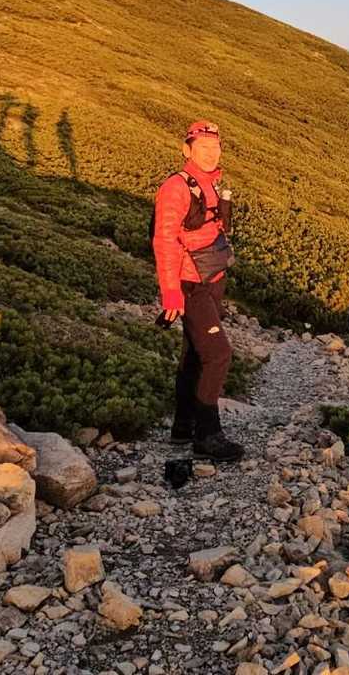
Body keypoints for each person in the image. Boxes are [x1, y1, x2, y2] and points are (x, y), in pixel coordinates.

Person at [152, 119, 243, 461]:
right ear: (186, 150)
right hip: (191, 284)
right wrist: (171, 293)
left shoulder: (209, 183)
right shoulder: (175, 188)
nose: (210, 153)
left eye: (215, 147)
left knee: (194, 354)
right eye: (203, 147)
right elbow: (164, 242)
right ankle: (207, 435)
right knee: (218, 354)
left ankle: (183, 427)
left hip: (212, 278)